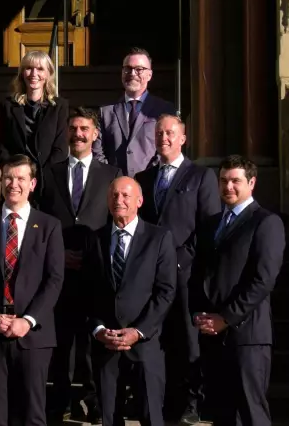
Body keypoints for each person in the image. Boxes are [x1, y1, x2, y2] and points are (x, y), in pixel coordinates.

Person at [0, 154, 65, 426]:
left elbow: (54, 280)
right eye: (8, 177)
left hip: (34, 335)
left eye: (20, 178)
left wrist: (27, 320)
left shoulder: (49, 226)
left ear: (32, 184)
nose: (13, 184)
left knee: (32, 414)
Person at [134, 114, 221, 425]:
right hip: (150, 276)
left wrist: (181, 259)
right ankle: (161, 401)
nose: (164, 138)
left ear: (183, 138)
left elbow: (208, 226)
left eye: (170, 133)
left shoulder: (201, 176)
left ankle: (192, 403)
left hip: (185, 273)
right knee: (155, 339)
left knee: (187, 339)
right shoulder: (144, 178)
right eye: (159, 133)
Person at [37, 107, 120, 423]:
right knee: (60, 341)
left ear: (95, 134)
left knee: (92, 341)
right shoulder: (49, 173)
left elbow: (114, 222)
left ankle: (93, 400)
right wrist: (57, 253)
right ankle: (59, 401)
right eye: (73, 128)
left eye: (85, 129)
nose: (78, 134)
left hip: (95, 271)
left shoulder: (111, 174)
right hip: (58, 271)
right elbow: (40, 221)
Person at [190, 155, 285, 426]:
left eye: (235, 181)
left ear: (251, 183)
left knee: (251, 412)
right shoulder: (211, 224)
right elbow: (199, 273)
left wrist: (226, 318)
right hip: (212, 335)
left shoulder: (266, 222)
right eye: (223, 180)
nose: (228, 186)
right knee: (221, 414)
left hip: (247, 336)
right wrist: (199, 313)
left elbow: (263, 280)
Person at [85, 177, 177, 426]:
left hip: (145, 344)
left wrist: (138, 331)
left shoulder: (159, 238)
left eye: (126, 195)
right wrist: (98, 329)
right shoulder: (95, 239)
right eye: (114, 195)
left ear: (139, 201)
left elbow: (166, 291)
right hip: (107, 344)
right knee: (109, 417)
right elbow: (88, 292)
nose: (119, 200)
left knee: (151, 416)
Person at [0, 51, 69, 203]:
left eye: (40, 69)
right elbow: (3, 146)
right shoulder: (8, 105)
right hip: (16, 181)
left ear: (48, 74)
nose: (34, 74)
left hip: (48, 181)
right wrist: (14, 173)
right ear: (22, 73)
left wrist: (41, 176)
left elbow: (60, 148)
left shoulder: (59, 106)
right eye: (29, 68)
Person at [93, 47, 177, 177]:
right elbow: (98, 151)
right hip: (115, 184)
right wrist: (114, 179)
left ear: (149, 75)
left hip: (151, 183)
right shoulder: (106, 112)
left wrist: (146, 178)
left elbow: (168, 147)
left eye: (139, 69)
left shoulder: (164, 110)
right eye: (128, 68)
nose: (132, 73)